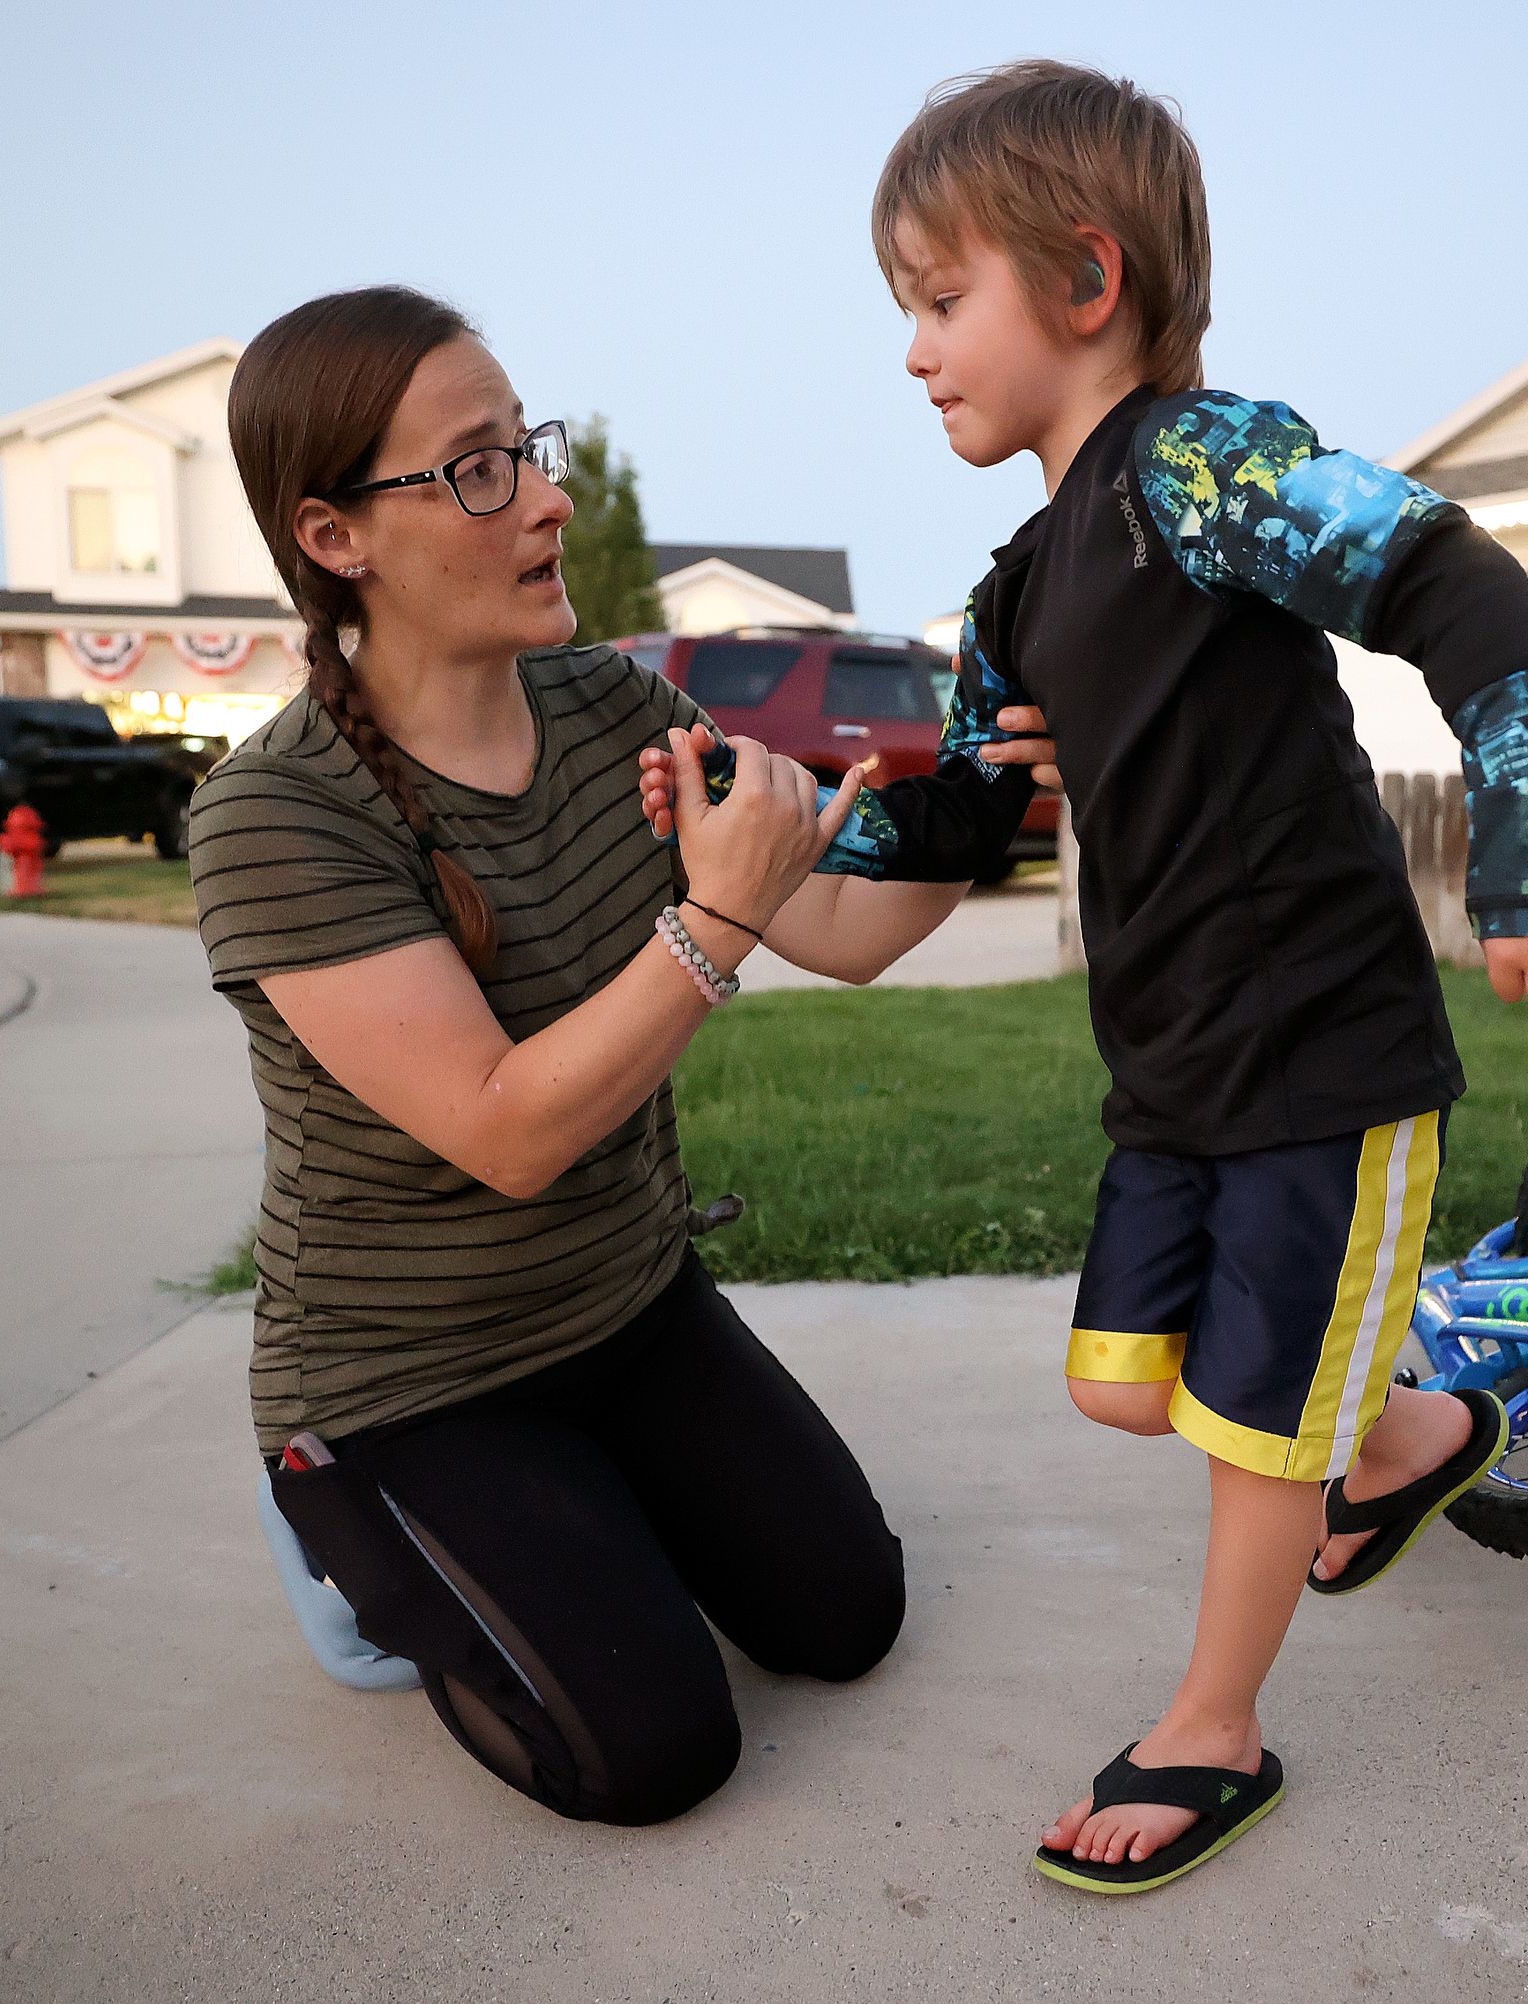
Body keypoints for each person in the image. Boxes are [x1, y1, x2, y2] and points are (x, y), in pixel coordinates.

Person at [650, 59, 1528, 1892]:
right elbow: (889, 901)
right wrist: (726, 862)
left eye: (943, 302)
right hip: (1175, 1073)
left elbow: (1458, 587)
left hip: (1319, 1055)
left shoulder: (1206, 466)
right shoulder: (1020, 591)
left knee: (1257, 1429)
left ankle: (1215, 1723)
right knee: (1128, 1384)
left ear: (1085, 283)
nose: (918, 348)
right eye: (909, 313)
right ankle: (1413, 1432)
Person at [183, 285, 1055, 1825]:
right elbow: (507, 1129)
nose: (546, 496)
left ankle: (583, 1511)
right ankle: (346, 1526)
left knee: (846, 1623)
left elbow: (841, 930)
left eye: (528, 446)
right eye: (476, 471)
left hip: (627, 1308)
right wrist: (716, 916)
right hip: (414, 1379)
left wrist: (989, 787)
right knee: (652, 1755)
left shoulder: (612, 711)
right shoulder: (276, 817)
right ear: (335, 538)